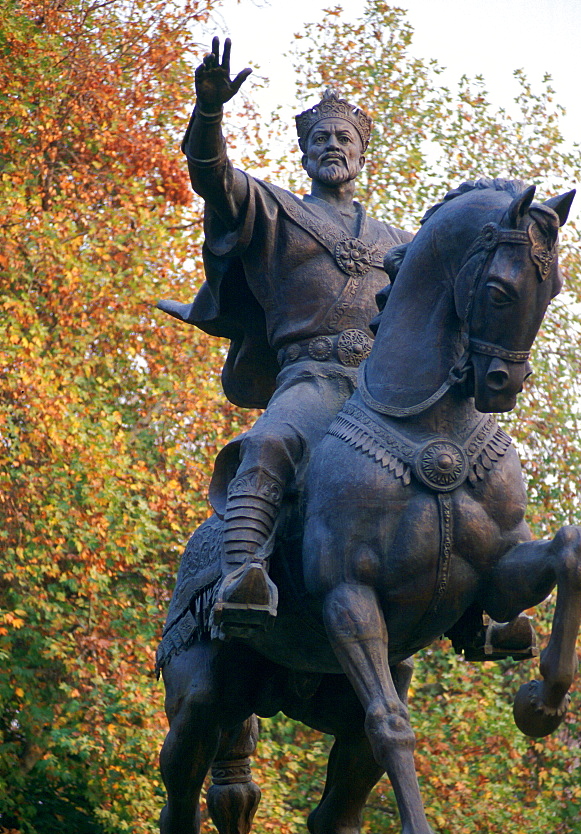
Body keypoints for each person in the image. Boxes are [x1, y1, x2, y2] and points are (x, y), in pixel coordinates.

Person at [159, 37, 412, 636]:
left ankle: (480, 606)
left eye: (343, 138)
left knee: (465, 457)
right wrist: (211, 112)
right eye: (319, 139)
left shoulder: (400, 240)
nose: (332, 147)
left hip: (383, 392)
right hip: (311, 380)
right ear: (303, 154)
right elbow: (210, 175)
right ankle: (243, 572)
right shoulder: (274, 210)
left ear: (362, 154)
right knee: (270, 443)